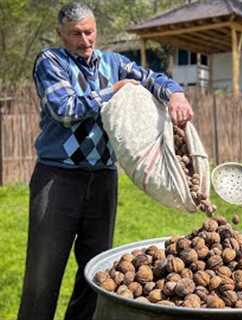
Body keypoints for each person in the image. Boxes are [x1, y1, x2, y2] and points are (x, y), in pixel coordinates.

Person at [17, 3, 193, 320]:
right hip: (58, 178)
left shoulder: (112, 62)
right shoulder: (51, 61)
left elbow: (152, 78)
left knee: (95, 271)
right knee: (43, 274)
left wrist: (176, 94)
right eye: (76, 34)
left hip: (102, 179)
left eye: (90, 31)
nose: (85, 40)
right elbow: (66, 109)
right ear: (61, 34)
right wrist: (112, 91)